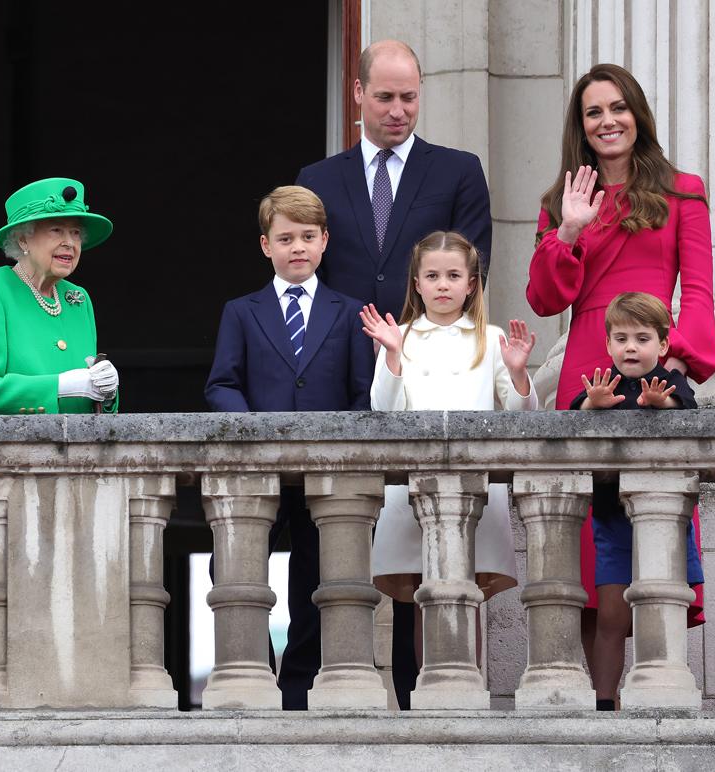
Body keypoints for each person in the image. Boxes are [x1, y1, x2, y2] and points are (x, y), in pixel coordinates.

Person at [295, 38, 492, 708]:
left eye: (410, 96)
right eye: (385, 97)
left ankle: (420, 691)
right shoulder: (317, 180)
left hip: (425, 371)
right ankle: (306, 689)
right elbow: (302, 279)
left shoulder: (458, 171)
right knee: (321, 526)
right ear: (357, 95)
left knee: (423, 530)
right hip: (335, 371)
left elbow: (472, 269)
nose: (399, 109)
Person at [525, 62, 715, 694]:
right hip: (586, 369)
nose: (607, 121)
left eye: (618, 108)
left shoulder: (683, 191)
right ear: (580, 127)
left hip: (654, 372)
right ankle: (595, 697)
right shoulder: (560, 201)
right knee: (586, 553)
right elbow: (544, 298)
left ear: (637, 113)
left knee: (654, 529)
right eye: (593, 112)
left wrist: (675, 361)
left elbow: (697, 293)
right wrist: (571, 231)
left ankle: (659, 688)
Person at [204, 185, 373, 709]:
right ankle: (255, 671)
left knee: (315, 574)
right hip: (257, 468)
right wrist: (252, 432)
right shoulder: (242, 310)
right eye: (285, 238)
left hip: (326, 472)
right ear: (265, 246)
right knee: (235, 568)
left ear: (324, 242)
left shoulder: (348, 312)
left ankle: (299, 686)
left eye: (307, 237)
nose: (296, 247)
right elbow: (221, 383)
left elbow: (360, 392)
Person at [360, 230, 534, 676]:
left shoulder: (490, 338)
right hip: (414, 486)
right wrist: (393, 355)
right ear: (416, 283)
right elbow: (383, 409)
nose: (442, 285)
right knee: (425, 594)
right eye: (432, 275)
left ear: (472, 283)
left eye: (453, 275)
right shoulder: (398, 335)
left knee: (466, 590)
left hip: (474, 486)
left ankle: (469, 686)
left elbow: (521, 415)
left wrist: (517, 374)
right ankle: (431, 688)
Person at [569, 292, 703, 710]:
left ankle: (659, 691)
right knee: (610, 615)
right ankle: (605, 703)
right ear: (608, 344)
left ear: (662, 345)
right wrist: (594, 403)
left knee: (662, 608)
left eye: (642, 338)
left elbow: (691, 410)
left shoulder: (669, 381)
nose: (631, 347)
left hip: (665, 519)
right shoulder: (602, 382)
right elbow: (575, 414)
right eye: (621, 338)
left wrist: (664, 403)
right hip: (612, 518)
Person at [0, 177, 119, 416]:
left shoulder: (78, 298)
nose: (70, 243)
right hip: (12, 449)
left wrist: (106, 392)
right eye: (56, 230)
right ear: (23, 239)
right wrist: (59, 386)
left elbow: (91, 406)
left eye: (75, 233)